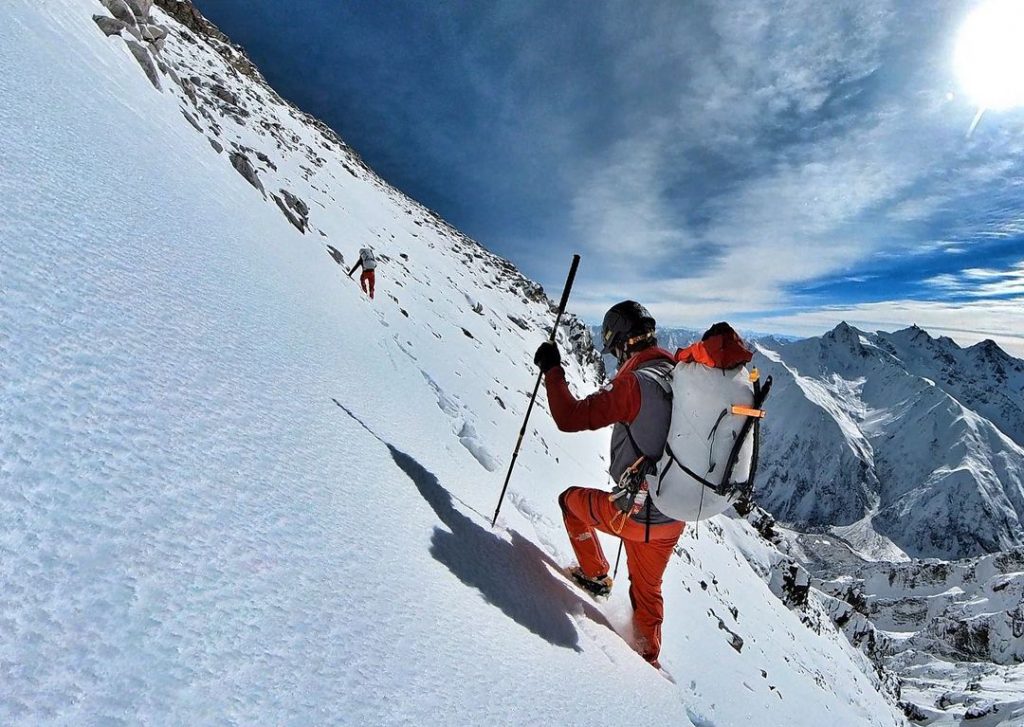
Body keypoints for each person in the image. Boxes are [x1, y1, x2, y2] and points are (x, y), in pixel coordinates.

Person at [533, 300, 685, 668]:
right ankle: (648, 656)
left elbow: (569, 417)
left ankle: (595, 575)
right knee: (648, 591)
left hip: (631, 514)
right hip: (673, 517)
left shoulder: (634, 383)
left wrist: (552, 369)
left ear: (620, 343)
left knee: (571, 503)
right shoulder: (681, 376)